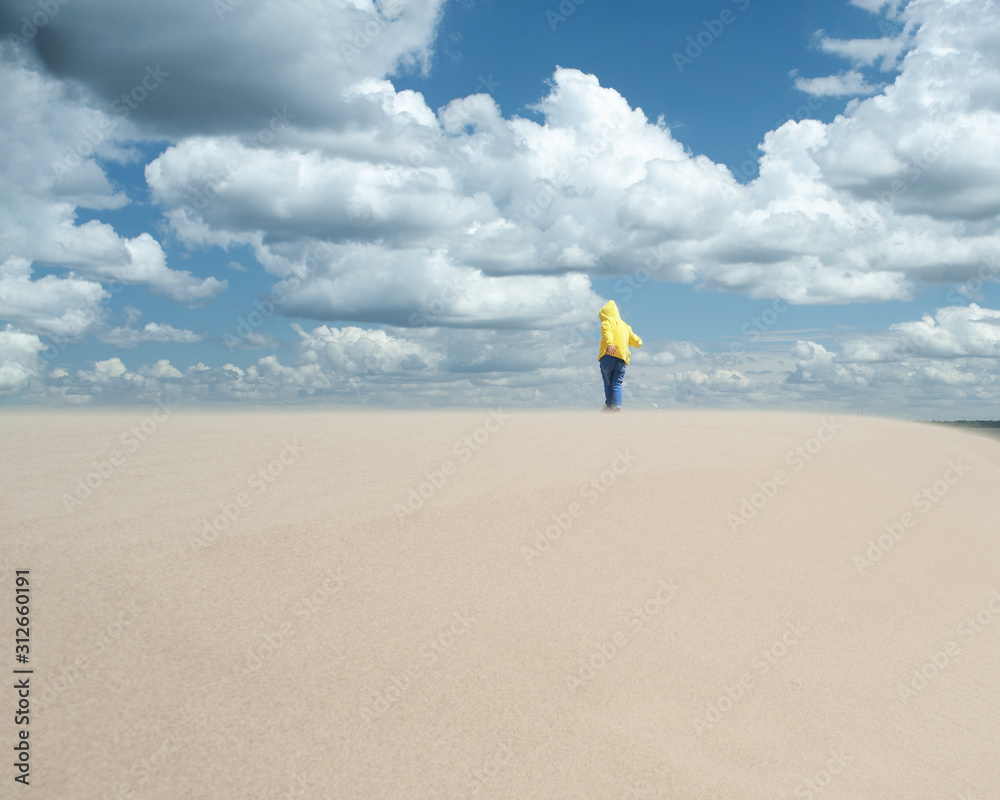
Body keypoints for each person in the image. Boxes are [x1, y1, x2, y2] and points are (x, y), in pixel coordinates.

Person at [598, 300, 641, 412]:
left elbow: (607, 332)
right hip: (621, 359)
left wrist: (610, 343)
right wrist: (639, 342)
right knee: (617, 383)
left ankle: (608, 406)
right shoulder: (625, 326)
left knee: (608, 383)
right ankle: (616, 408)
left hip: (607, 356)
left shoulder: (607, 322)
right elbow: (635, 341)